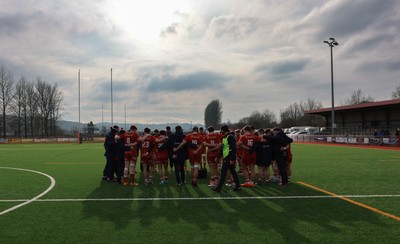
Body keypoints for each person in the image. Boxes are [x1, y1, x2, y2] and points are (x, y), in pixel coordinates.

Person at [211, 125, 241, 192]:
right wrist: (218, 156)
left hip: (228, 158)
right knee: (233, 172)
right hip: (227, 157)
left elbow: (233, 149)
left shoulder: (230, 137)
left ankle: (219, 188)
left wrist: (232, 159)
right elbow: (223, 148)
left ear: (224, 130)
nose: (220, 132)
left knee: (224, 172)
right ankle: (238, 186)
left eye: (221, 130)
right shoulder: (226, 137)